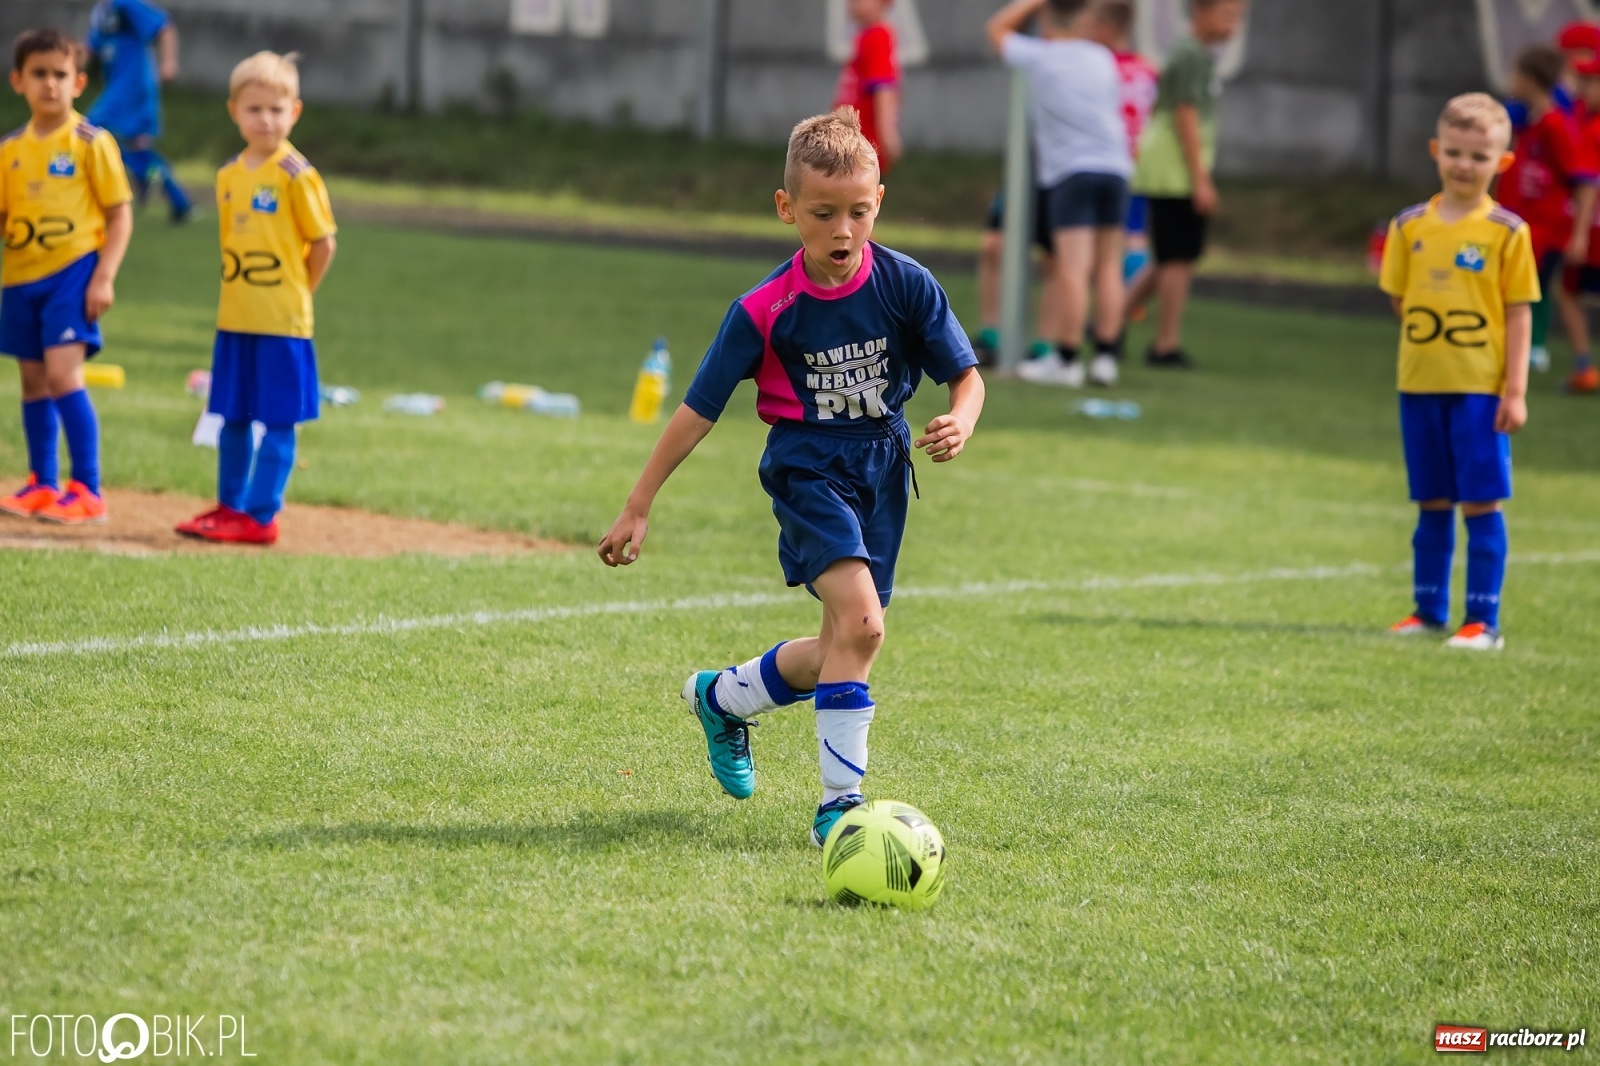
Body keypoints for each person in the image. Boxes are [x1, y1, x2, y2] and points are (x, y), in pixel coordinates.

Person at [597, 108, 984, 846]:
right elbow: (697, 411)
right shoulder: (763, 310)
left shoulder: (906, 284)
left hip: (883, 467)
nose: (844, 231)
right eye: (823, 214)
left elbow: (967, 377)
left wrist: (961, 419)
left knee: (842, 643)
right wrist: (638, 502)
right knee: (865, 626)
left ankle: (721, 698)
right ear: (787, 209)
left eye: (859, 212)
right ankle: (840, 806)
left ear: (879, 202)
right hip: (808, 468)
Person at [1379, 93, 1538, 651]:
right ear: (1435, 151)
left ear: (1502, 162)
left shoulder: (1506, 231)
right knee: (1431, 501)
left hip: (1479, 390)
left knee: (1480, 502)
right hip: (1420, 383)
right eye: (1453, 153)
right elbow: (1400, 296)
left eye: (1478, 156)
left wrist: (1514, 391)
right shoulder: (1408, 227)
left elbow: (1519, 313)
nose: (1463, 165)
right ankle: (1427, 612)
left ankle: (1482, 623)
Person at [174, 52, 336, 545]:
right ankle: (231, 507)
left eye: (276, 109)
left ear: (295, 112)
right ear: (234, 112)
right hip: (235, 319)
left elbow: (323, 244)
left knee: (279, 420)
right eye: (254, 108)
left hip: (282, 324)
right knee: (232, 416)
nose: (266, 119)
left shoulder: (295, 174)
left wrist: (298, 292)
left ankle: (261, 517)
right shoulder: (228, 175)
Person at [0, 28, 133, 525]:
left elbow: (119, 215)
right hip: (20, 278)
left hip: (72, 274)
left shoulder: (90, 142)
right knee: (33, 382)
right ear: (18, 81)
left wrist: (104, 276)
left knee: (62, 375)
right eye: (39, 74)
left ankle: (88, 488)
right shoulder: (9, 150)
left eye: (60, 74)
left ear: (79, 82)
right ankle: (42, 482)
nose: (50, 84)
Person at [989, 0, 1132, 389]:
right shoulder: (1101, 58)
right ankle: (1105, 358)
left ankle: (1066, 360)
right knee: (1108, 265)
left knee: (1073, 268)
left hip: (1071, 171)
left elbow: (996, 30)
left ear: (1047, 18)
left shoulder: (1039, 56)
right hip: (1115, 168)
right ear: (1085, 18)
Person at [1126, 0, 1245, 369]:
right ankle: (1165, 344)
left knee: (1168, 256)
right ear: (1200, 11)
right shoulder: (1190, 54)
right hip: (1174, 173)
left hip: (1170, 170)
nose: (1232, 25)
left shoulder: (1195, 54)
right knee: (1178, 259)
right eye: (1226, 15)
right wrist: (1200, 179)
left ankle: (1109, 322)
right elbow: (1185, 114)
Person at [1497, 45, 1598, 387]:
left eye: (1515, 74)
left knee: (1531, 286)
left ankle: (1534, 348)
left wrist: (1579, 234)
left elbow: (1582, 180)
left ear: (1530, 79)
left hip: (1546, 227)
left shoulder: (1556, 124)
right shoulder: (1527, 119)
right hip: (1521, 221)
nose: (1511, 80)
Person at [86, 0, 190, 222]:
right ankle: (176, 198)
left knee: (90, 129)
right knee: (137, 148)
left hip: (133, 88)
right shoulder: (100, 12)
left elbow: (164, 26)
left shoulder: (124, 4)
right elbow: (91, 50)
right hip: (117, 87)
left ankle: (141, 180)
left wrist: (169, 62)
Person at [1089, 0, 1159, 294]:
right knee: (1135, 234)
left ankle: (1109, 304)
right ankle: (1131, 303)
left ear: (1105, 28)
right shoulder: (1149, 69)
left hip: (1104, 163)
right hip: (1141, 165)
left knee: (1100, 247)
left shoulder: (1098, 67)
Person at [1556, 53, 1600, 393]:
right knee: (1568, 291)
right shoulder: (1585, 116)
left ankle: (1585, 368)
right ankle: (1584, 368)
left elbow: (1589, 184)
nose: (1583, 88)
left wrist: (1580, 234)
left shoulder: (1594, 128)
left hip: (1594, 228)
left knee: (1569, 292)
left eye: (1590, 81)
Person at [834, 0, 902, 175]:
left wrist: (887, 134)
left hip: (865, 143)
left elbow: (883, 87)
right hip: (851, 140)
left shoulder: (879, 36)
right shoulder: (866, 35)